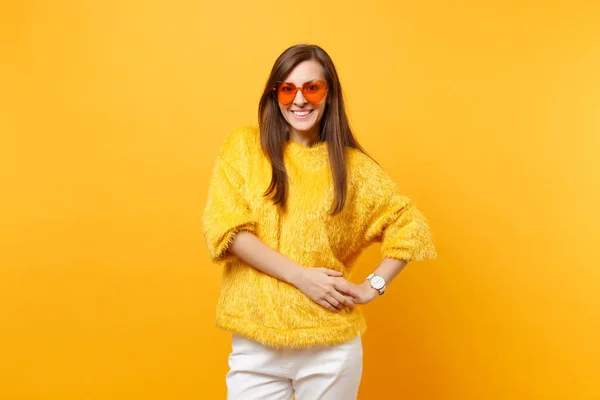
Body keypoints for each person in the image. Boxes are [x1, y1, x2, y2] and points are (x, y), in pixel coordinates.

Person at [202, 44, 438, 400]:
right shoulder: (244, 148)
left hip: (330, 349)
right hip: (256, 344)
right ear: (275, 95)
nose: (299, 100)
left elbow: (411, 226)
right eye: (288, 88)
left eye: (312, 88)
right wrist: (302, 277)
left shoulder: (353, 167)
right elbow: (228, 231)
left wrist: (371, 286)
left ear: (329, 95)